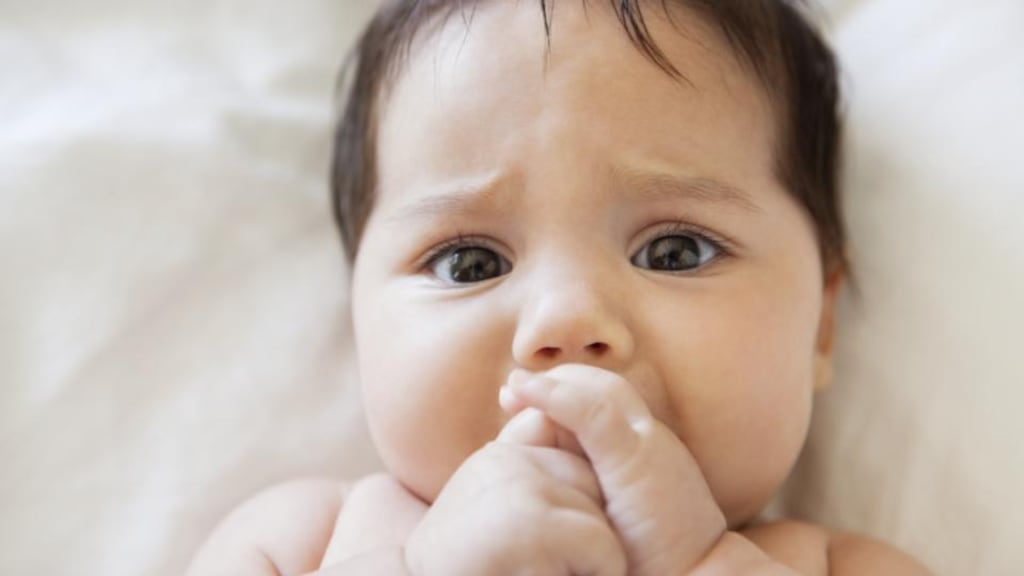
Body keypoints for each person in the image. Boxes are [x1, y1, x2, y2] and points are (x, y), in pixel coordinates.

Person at [188, 0, 930, 573]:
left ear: (821, 323)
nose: (567, 320)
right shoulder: (302, 543)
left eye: (675, 250)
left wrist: (701, 561)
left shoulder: (843, 566)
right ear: (358, 323)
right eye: (469, 263)